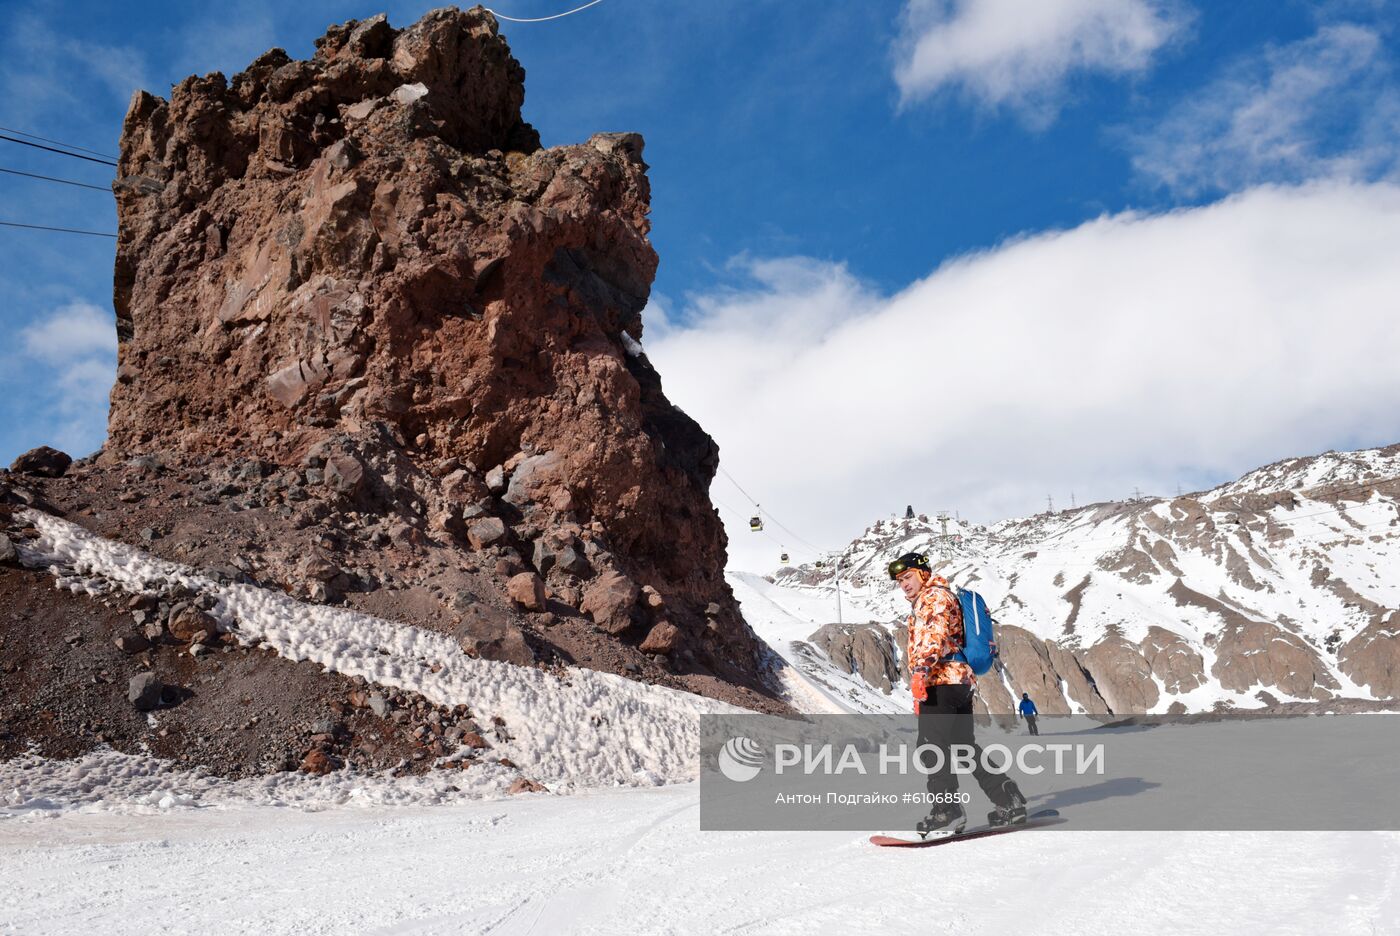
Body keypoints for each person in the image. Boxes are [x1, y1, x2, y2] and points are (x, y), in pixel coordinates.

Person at [890, 551, 1026, 838]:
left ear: (922, 573)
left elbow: (934, 636)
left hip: (942, 680)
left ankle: (947, 811)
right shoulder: (932, 598)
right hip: (957, 683)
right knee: (963, 746)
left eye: (908, 577)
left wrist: (920, 674)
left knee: (931, 745)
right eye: (900, 581)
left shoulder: (934, 597)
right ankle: (1006, 798)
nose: (904, 584)